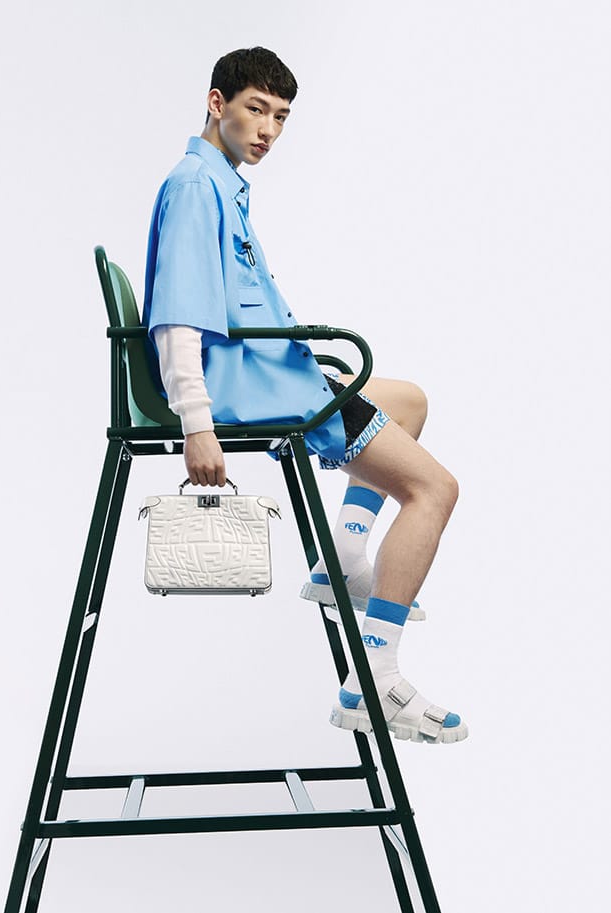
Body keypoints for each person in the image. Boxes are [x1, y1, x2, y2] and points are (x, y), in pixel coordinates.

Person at [143, 47, 467, 744]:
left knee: (409, 401)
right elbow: (176, 319)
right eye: (255, 109)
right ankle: (374, 679)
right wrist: (197, 423)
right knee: (434, 490)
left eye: (281, 117)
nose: (268, 130)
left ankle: (343, 560)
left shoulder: (221, 182)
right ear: (217, 103)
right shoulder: (196, 186)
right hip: (250, 390)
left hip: (270, 373)